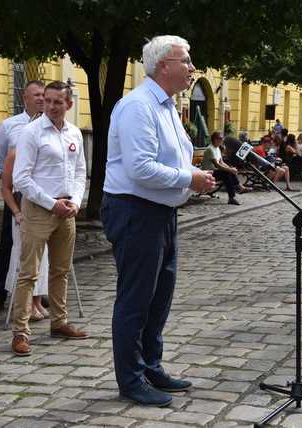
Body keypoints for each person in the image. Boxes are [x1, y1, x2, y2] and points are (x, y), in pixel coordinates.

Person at [101, 35, 215, 407]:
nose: (192, 67)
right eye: (186, 60)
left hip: (160, 212)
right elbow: (140, 168)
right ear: (163, 65)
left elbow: (171, 158)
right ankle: (131, 379)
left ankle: (151, 366)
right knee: (136, 299)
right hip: (135, 211)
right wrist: (189, 179)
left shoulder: (166, 105)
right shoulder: (137, 106)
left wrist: (193, 176)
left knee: (159, 297)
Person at [11, 80, 89, 356]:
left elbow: (81, 172)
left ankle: (59, 321)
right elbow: (21, 178)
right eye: (48, 100)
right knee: (29, 272)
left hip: (67, 208)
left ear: (69, 104)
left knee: (61, 270)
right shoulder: (32, 132)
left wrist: (76, 202)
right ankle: (20, 332)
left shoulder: (75, 134)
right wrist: (51, 203)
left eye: (59, 101)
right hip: (39, 208)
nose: (52, 106)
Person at [0, 80, 45, 317]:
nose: (41, 99)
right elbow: (0, 159)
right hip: (18, 194)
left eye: (44, 94)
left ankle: (38, 295)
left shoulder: (53, 125)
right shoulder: (10, 126)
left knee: (43, 247)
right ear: (25, 99)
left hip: (44, 195)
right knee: (9, 244)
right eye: (36, 95)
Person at [1, 143, 49, 322]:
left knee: (43, 258)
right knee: (24, 255)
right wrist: (16, 212)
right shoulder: (15, 154)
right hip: (22, 209)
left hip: (43, 208)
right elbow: (6, 188)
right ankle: (23, 302)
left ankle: (37, 301)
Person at [201, 131, 248, 205]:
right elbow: (217, 165)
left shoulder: (217, 148)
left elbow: (221, 162)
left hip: (214, 171)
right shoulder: (210, 149)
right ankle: (234, 195)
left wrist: (231, 168)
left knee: (228, 172)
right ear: (215, 139)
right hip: (208, 172)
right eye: (220, 138)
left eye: (222, 138)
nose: (222, 140)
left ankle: (238, 190)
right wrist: (230, 169)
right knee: (227, 173)